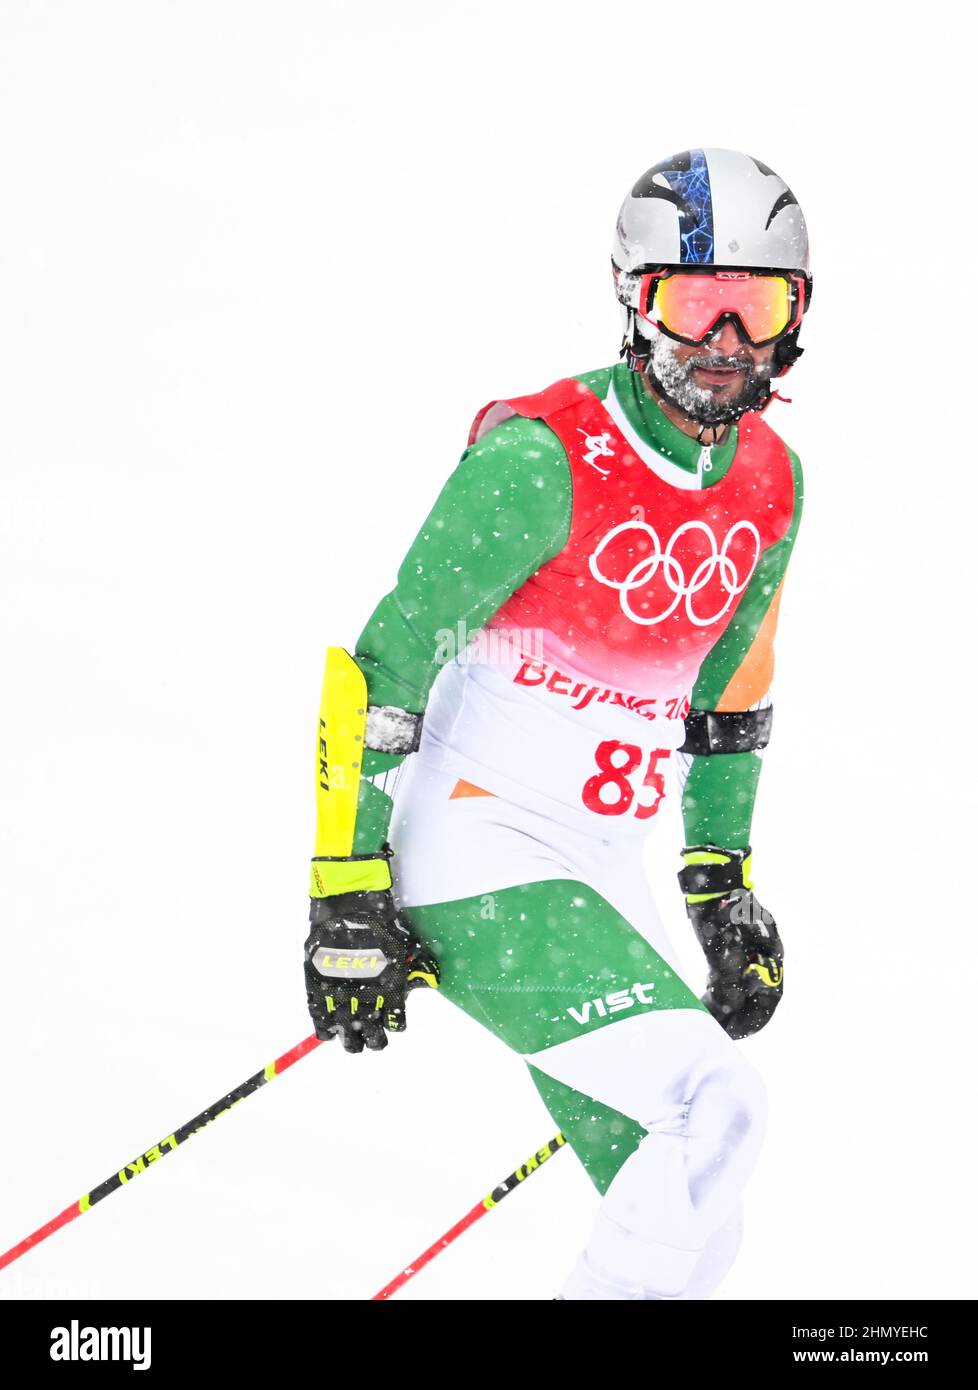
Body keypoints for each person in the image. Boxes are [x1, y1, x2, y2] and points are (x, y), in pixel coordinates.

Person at [304, 146, 811, 1300]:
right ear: (635, 300)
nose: (726, 340)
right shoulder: (541, 460)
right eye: (696, 302)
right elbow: (384, 667)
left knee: (693, 1221)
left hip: (593, 862)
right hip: (473, 848)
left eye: (759, 303)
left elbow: (731, 689)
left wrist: (717, 882)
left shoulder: (772, 478)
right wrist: (346, 884)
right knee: (715, 1107)